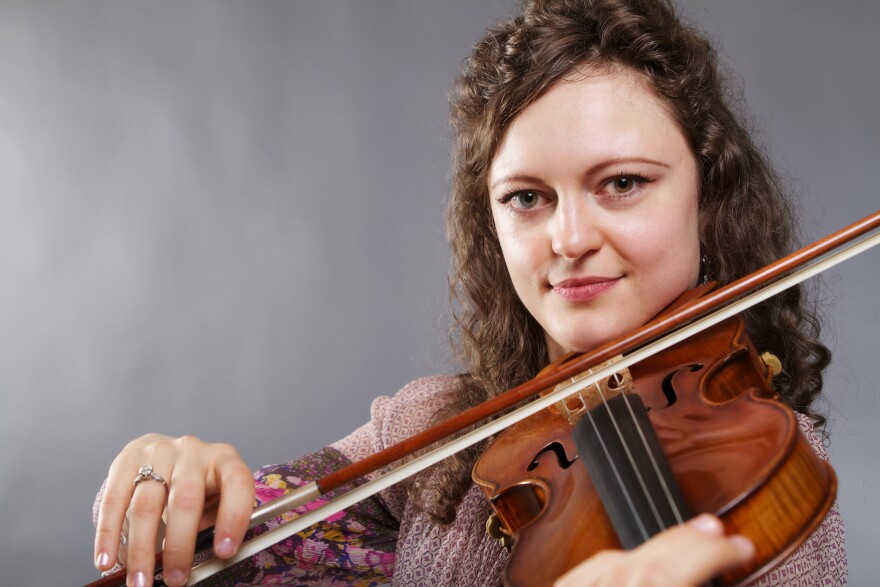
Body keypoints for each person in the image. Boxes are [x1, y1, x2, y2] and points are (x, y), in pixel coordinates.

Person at [92, 0, 848, 585]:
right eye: (527, 198)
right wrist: (183, 498)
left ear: (706, 198)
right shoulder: (437, 433)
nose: (568, 238)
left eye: (622, 183)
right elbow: (244, 554)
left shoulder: (767, 467)